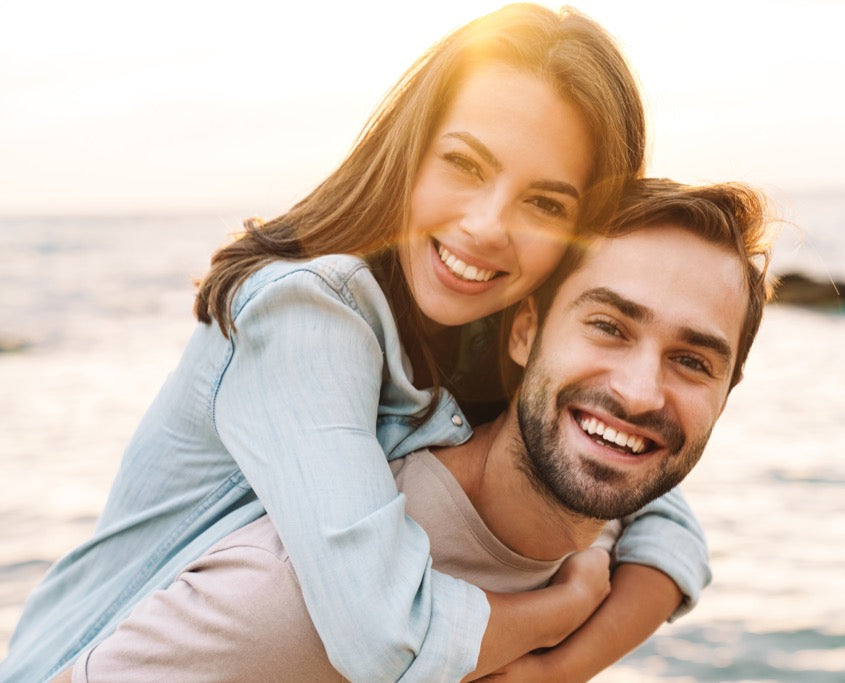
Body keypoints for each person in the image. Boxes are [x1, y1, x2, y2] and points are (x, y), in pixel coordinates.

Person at [1, 6, 710, 683]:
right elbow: (382, 632)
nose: (486, 225)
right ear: (411, 148)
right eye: (465, 164)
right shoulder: (308, 311)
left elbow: (657, 512)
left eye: (545, 203)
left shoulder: (496, 334)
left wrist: (563, 666)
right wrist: (565, 608)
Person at [55, 177, 776, 681]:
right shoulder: (290, 602)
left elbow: (672, 529)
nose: (640, 391)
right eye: (608, 326)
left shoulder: (604, 525)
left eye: (691, 360)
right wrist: (562, 613)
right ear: (523, 332)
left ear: (726, 393)